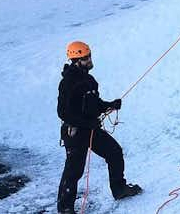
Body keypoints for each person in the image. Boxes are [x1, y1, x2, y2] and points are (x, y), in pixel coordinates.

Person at [57, 41, 141, 214]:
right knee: (74, 171)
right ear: (76, 60)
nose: (89, 60)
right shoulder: (68, 82)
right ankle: (65, 209)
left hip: (91, 129)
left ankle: (119, 189)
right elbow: (63, 112)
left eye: (89, 56)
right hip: (75, 132)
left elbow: (94, 104)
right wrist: (87, 123)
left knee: (114, 152)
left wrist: (110, 105)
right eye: (86, 58)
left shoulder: (89, 80)